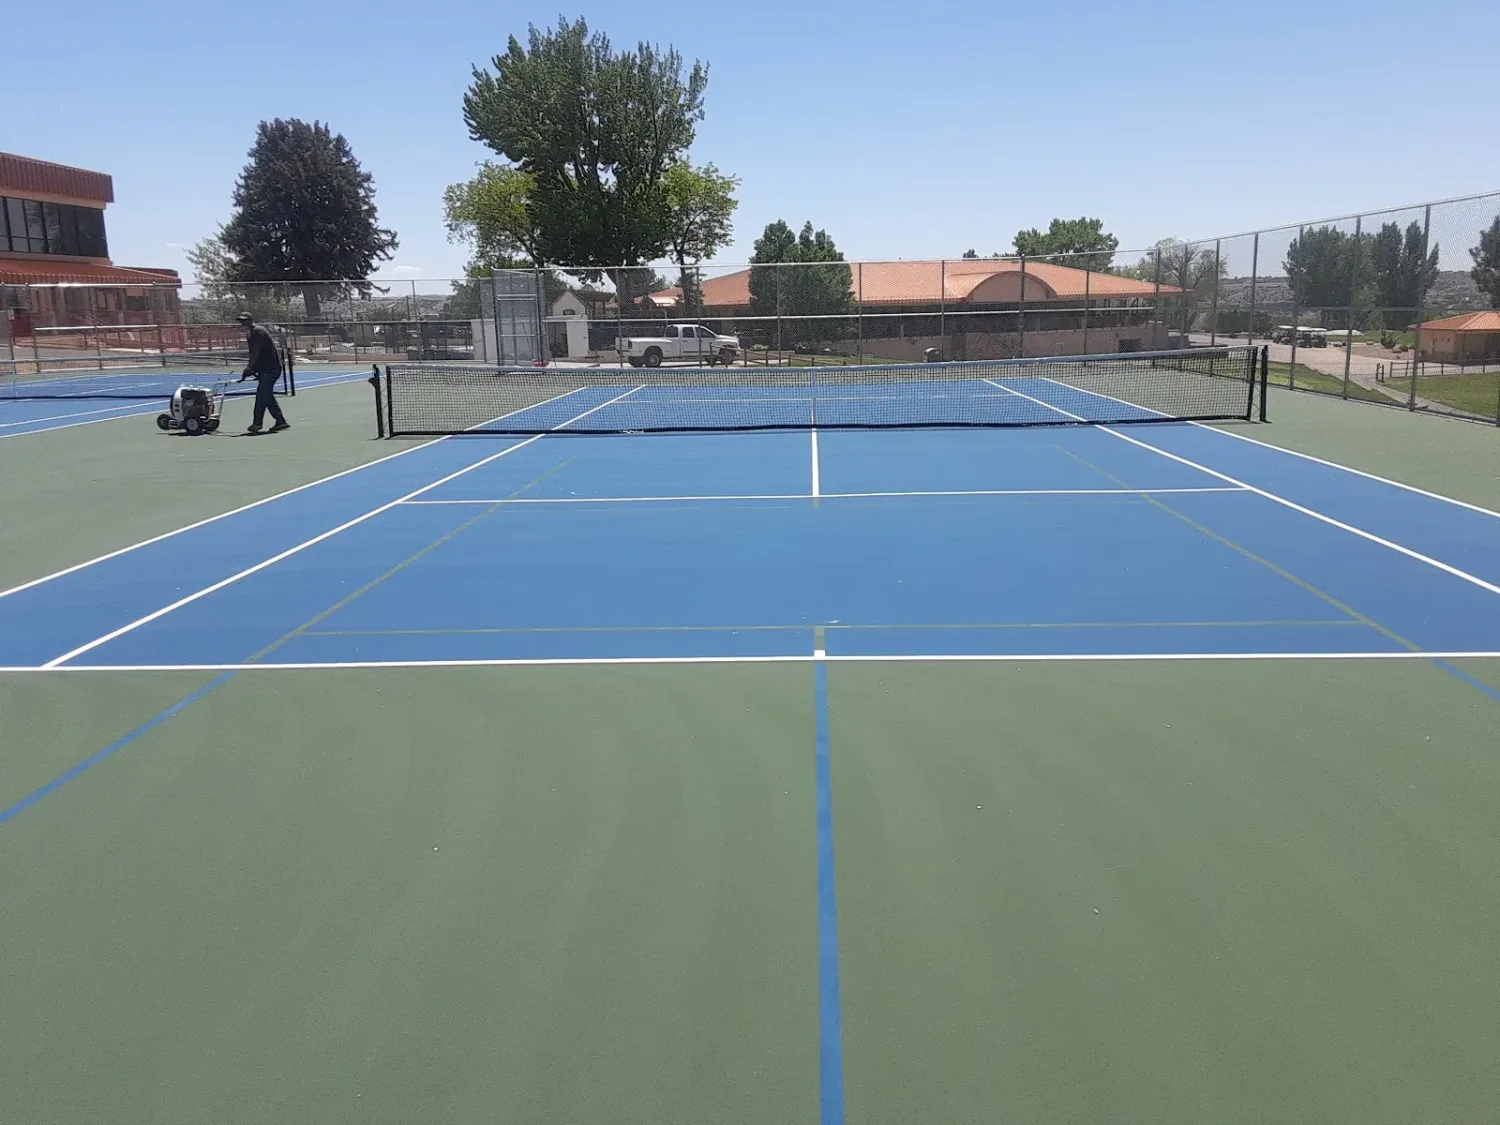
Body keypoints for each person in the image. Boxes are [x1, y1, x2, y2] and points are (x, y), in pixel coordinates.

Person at [237, 312, 290, 434]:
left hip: (271, 368)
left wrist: (249, 367)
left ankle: (257, 423)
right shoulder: (250, 332)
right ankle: (280, 421)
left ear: (251, 320)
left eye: (244, 320)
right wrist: (254, 369)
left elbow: (256, 352)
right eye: (241, 321)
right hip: (265, 369)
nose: (242, 323)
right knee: (266, 395)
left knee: (262, 395)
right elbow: (256, 354)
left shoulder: (257, 331)